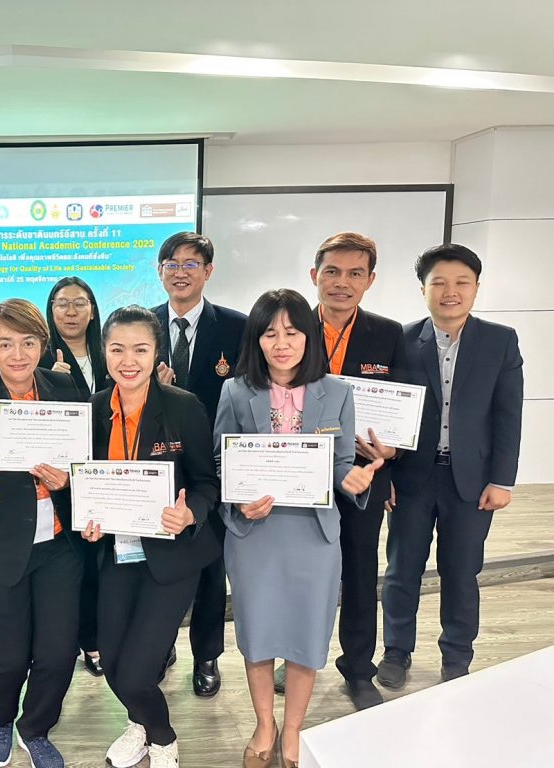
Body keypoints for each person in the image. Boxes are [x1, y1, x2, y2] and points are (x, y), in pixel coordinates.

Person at [214, 289, 380, 768]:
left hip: (314, 536)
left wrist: (352, 479)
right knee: (258, 633)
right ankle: (264, 724)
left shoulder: (337, 391)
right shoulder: (235, 390)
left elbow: (342, 461)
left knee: (306, 636)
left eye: (291, 332)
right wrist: (239, 500)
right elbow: (222, 460)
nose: (281, 343)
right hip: (256, 534)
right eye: (270, 333)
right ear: (256, 340)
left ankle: (292, 730)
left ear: (309, 336)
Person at [80, 305, 220, 768]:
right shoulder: (93, 410)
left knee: (137, 670)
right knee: (112, 660)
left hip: (172, 556)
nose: (128, 361)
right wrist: (86, 519)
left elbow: (207, 483)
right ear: (104, 353)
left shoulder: (183, 406)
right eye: (117, 349)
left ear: (157, 352)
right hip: (115, 553)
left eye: (140, 350)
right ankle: (140, 725)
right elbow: (84, 483)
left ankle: (162, 738)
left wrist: (190, 512)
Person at [378, 244, 523, 688]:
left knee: (462, 572)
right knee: (402, 569)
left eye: (461, 282)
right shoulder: (401, 340)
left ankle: (457, 656)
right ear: (422, 289)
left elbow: (508, 415)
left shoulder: (500, 341)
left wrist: (502, 480)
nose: (450, 292)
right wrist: (384, 476)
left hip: (472, 481)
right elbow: (385, 416)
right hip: (412, 479)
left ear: (476, 287)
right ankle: (396, 651)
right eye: (438, 282)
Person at [271, 233, 405, 709]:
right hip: (297, 476)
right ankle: (294, 655)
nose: (341, 283)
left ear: (370, 280)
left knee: (360, 572)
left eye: (354, 273)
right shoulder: (289, 329)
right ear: (314, 275)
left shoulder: (389, 334)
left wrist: (392, 453)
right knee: (298, 573)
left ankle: (358, 668)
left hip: (362, 478)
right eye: (332, 271)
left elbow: (404, 408)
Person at [0, 299, 85, 768]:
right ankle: (0, 721)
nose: (18, 354)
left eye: (28, 342)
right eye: (5, 344)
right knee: (8, 653)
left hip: (60, 544)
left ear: (43, 344)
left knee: (58, 651)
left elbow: (86, 456)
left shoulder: (65, 388)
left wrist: (71, 479)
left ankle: (36, 727)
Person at [151, 232, 246, 697]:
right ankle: (160, 644)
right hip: (155, 468)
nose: (180, 272)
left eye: (191, 264)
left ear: (208, 272)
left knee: (210, 566)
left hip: (213, 469)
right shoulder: (142, 324)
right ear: (160, 271)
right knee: (159, 564)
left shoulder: (236, 327)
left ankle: (207, 654)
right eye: (171, 263)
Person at [41, 276, 108, 677]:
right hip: (63, 480)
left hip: (107, 472)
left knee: (105, 562)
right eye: (61, 304)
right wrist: (52, 380)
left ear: (93, 310)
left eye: (79, 303)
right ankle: (88, 641)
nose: (70, 312)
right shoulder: (42, 359)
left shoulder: (108, 352)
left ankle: (105, 634)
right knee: (79, 563)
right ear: (50, 311)